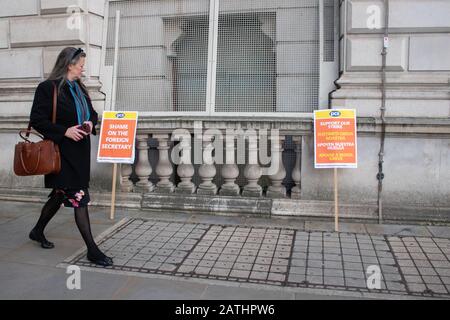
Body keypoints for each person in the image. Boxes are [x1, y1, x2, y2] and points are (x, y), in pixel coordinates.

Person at [28, 47, 113, 267]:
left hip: (80, 152)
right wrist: (64, 131)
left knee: (58, 195)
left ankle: (37, 231)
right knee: (79, 198)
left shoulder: (80, 88)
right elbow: (37, 119)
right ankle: (92, 250)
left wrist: (89, 123)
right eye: (81, 65)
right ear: (69, 64)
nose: (83, 70)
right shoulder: (48, 88)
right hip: (61, 153)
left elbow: (92, 113)